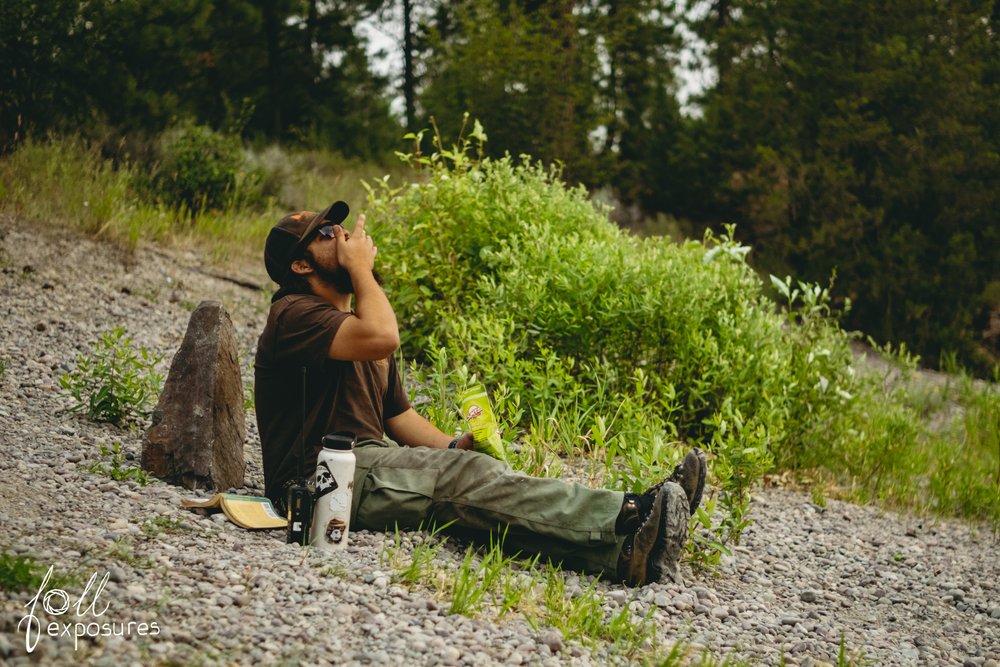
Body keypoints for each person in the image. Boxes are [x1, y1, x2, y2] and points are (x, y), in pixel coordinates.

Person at [254, 201, 708, 586]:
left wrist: (455, 446)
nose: (342, 235)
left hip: (363, 467)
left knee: (471, 492)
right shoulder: (292, 314)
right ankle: (630, 512)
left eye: (337, 227)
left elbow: (399, 418)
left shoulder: (353, 324)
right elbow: (384, 335)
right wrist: (362, 269)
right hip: (318, 483)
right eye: (326, 234)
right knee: (460, 480)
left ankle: (626, 554)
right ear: (301, 265)